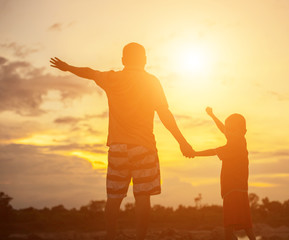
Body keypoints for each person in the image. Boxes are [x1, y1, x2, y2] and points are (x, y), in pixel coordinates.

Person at [50, 42, 194, 240]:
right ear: (144, 60)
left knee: (113, 198)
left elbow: (90, 72)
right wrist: (182, 142)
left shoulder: (112, 78)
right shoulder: (151, 81)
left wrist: (68, 68)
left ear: (123, 60)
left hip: (117, 148)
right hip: (144, 147)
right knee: (142, 197)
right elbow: (164, 114)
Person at [194, 107, 255, 240]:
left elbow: (213, 151)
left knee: (229, 228)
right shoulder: (240, 141)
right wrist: (212, 116)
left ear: (243, 132)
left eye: (232, 129)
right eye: (228, 129)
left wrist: (194, 153)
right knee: (246, 226)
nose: (228, 132)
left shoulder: (233, 147)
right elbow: (224, 129)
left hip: (232, 191)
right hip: (239, 190)